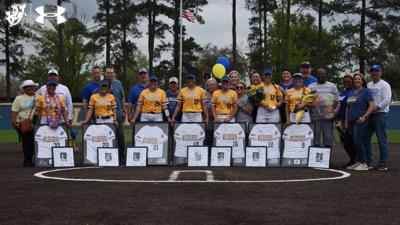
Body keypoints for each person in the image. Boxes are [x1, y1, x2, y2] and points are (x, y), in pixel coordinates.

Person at [345, 72, 375, 171]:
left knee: (359, 141)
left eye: (359, 79)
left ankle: (364, 163)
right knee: (355, 141)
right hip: (351, 120)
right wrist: (346, 121)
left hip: (360, 120)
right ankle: (358, 162)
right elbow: (348, 107)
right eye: (355, 79)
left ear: (362, 81)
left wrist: (365, 117)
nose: (357, 80)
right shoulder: (351, 92)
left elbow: (372, 105)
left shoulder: (366, 91)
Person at [365, 64, 392, 170]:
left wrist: (377, 108)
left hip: (380, 115)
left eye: (376, 71)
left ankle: (383, 164)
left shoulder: (384, 85)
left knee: (382, 139)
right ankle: (368, 162)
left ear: (381, 73)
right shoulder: (368, 85)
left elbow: (387, 99)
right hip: (370, 115)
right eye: (372, 71)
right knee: (365, 138)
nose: (374, 73)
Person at [309, 68, 340, 148]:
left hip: (328, 118)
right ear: (316, 75)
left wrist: (336, 110)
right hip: (315, 117)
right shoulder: (311, 86)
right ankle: (315, 159)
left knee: (328, 139)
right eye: (319, 74)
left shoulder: (332, 86)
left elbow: (337, 101)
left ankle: (328, 159)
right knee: (315, 140)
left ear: (326, 75)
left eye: (323, 74)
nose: (321, 76)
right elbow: (308, 101)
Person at [11, 80, 39, 166]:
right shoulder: (19, 98)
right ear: (24, 88)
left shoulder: (39, 97)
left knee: (35, 142)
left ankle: (31, 159)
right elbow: (14, 113)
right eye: (28, 87)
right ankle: (28, 160)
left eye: (32, 86)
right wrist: (15, 123)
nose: (31, 88)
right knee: (27, 142)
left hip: (36, 123)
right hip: (23, 123)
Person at [104, 66, 126, 161]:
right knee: (106, 135)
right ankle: (107, 156)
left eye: (111, 73)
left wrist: (124, 110)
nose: (110, 74)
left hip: (118, 112)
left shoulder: (118, 83)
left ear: (114, 74)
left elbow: (122, 97)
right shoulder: (102, 84)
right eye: (108, 73)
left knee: (120, 135)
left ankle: (122, 156)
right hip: (106, 113)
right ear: (105, 74)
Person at [337, 73, 357, 166]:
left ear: (352, 82)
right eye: (344, 81)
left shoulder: (353, 93)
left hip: (348, 121)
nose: (346, 83)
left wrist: (346, 121)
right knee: (344, 141)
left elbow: (350, 108)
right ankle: (352, 160)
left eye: (348, 81)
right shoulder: (341, 93)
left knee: (351, 141)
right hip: (338, 121)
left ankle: (355, 160)